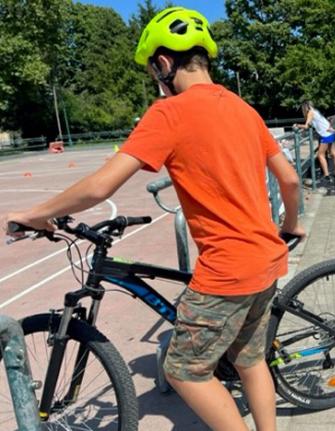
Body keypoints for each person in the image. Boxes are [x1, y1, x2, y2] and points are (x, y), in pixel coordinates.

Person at [3, 8, 303, 431]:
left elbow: (99, 187)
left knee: (184, 371)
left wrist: (33, 214)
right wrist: (292, 225)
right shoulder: (242, 108)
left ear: (164, 63)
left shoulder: (169, 114)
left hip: (226, 272)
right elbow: (290, 180)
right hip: (266, 260)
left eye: (152, 72)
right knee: (250, 358)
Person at [295, 101, 335, 184]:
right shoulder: (316, 111)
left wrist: (297, 125)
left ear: (305, 108)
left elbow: (306, 125)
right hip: (331, 132)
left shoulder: (310, 113)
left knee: (320, 155)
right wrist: (303, 128)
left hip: (326, 135)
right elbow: (311, 124)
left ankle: (326, 175)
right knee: (333, 152)